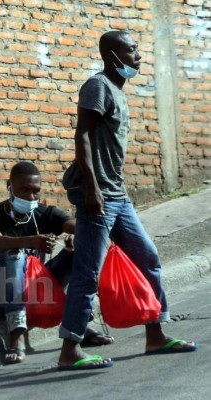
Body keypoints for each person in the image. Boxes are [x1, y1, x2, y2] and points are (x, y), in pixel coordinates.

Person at [58, 30, 198, 370]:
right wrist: (92, 190)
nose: (138, 56)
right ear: (112, 55)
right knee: (88, 273)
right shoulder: (97, 86)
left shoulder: (117, 90)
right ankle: (69, 350)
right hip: (100, 197)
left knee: (147, 257)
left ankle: (155, 334)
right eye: (131, 50)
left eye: (137, 49)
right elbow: (83, 137)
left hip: (118, 195)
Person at [0, 161, 114, 364]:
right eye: (24, 189)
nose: (31, 196)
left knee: (79, 252)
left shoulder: (45, 213)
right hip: (2, 298)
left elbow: (75, 226)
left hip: (39, 293)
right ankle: (17, 333)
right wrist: (31, 241)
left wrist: (80, 237)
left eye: (35, 191)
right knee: (14, 253)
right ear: (9, 186)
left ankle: (78, 324)